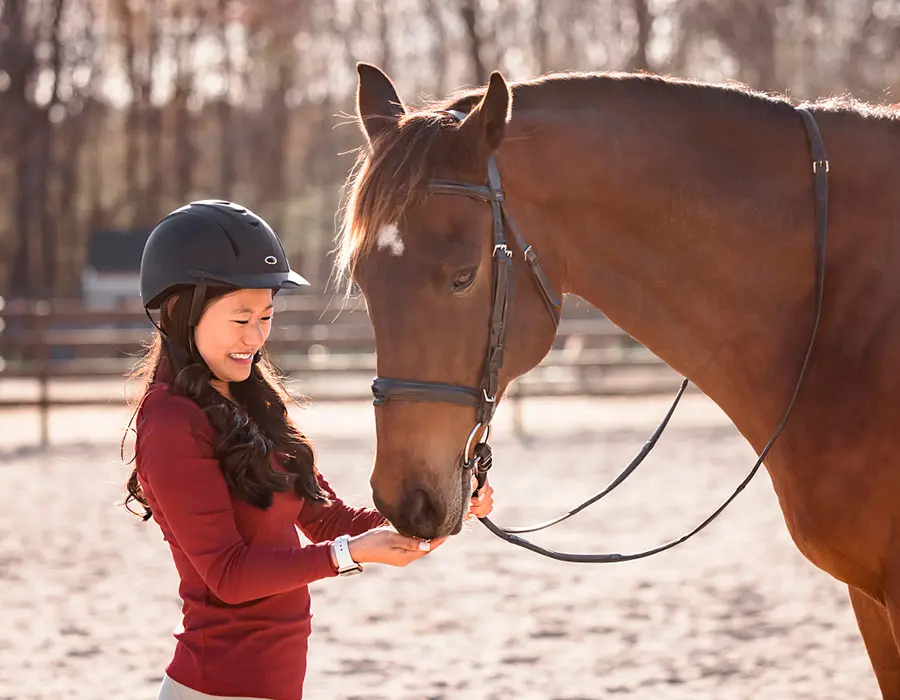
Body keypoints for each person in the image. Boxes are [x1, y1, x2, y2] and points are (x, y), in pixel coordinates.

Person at [122, 200, 494, 700]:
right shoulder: (169, 423)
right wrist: (348, 555)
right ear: (177, 312)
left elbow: (328, 519)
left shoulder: (254, 401)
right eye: (240, 319)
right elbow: (228, 576)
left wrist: (451, 505)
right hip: (214, 689)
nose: (256, 337)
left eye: (266, 316)